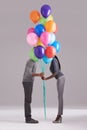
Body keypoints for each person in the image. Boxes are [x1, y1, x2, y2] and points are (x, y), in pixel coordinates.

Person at [42, 55, 65, 123]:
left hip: (61, 78)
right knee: (60, 97)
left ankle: (59, 116)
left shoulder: (54, 60)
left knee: (60, 97)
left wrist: (46, 78)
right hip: (60, 79)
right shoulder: (53, 60)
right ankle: (59, 116)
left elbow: (56, 72)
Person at [22, 58, 44, 123]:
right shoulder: (30, 61)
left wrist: (40, 75)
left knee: (28, 100)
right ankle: (28, 118)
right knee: (28, 100)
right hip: (27, 81)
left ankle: (28, 117)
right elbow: (29, 73)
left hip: (29, 81)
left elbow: (32, 73)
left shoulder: (34, 61)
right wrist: (39, 74)